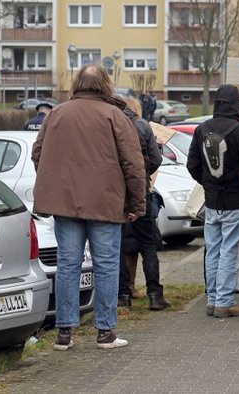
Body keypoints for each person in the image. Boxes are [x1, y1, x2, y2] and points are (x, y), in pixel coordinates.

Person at [32, 64, 146, 350]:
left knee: (67, 265)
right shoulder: (115, 115)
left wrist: (57, 185)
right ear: (106, 84)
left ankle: (64, 333)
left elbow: (38, 154)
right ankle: (105, 332)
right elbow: (133, 164)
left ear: (77, 84)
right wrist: (137, 203)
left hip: (66, 204)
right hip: (105, 202)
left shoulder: (56, 114)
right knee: (106, 266)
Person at [187, 84, 239, 318]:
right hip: (235, 199)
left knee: (213, 248)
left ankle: (213, 299)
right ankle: (225, 301)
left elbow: (192, 165)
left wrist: (208, 183)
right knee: (229, 249)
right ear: (237, 103)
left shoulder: (202, 129)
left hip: (212, 200)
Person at [116, 96, 169, 311]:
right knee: (148, 245)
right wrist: (144, 174)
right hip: (141, 192)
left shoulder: (111, 125)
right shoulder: (142, 125)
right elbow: (156, 159)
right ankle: (155, 295)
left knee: (118, 246)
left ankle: (123, 295)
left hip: (117, 194)